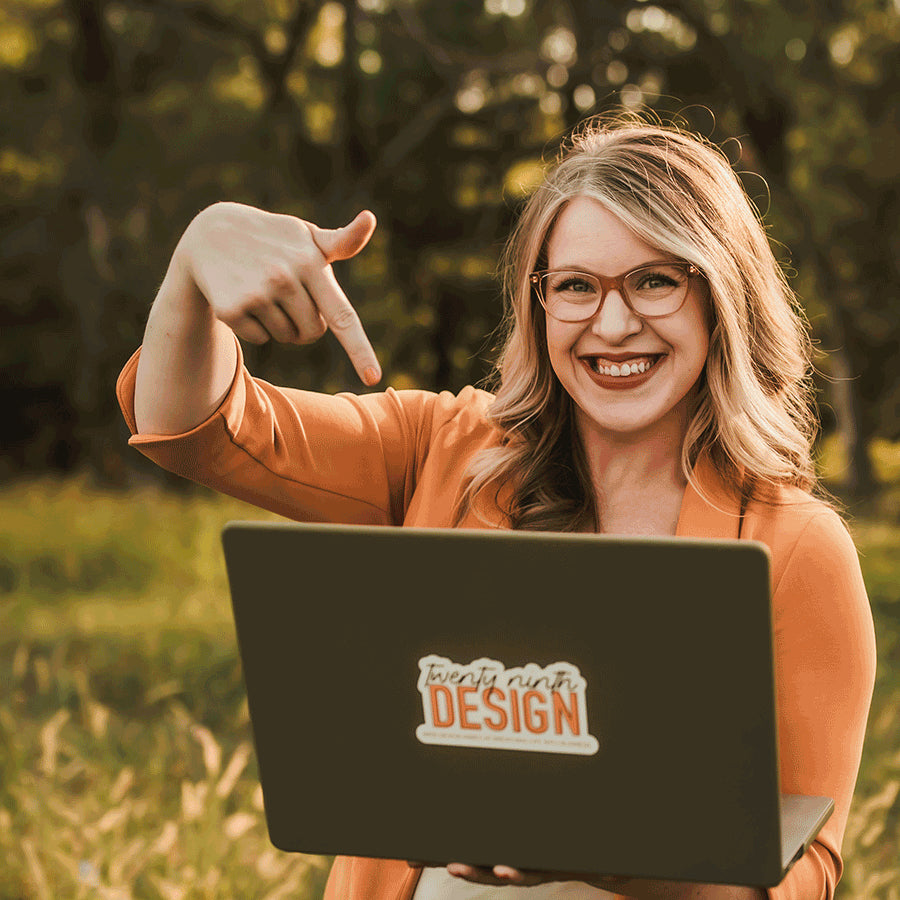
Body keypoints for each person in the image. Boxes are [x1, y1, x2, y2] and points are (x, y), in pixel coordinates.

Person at [117, 114, 876, 900]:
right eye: (576, 286)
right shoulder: (442, 449)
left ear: (721, 294)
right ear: (537, 300)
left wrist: (611, 857)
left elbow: (802, 874)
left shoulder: (798, 549)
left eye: (656, 279)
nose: (613, 325)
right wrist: (195, 262)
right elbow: (190, 428)